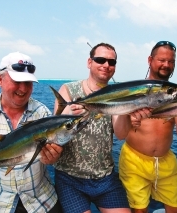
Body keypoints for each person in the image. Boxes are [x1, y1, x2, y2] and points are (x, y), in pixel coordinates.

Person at [113, 41, 177, 213]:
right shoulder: (134, 90)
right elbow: (120, 132)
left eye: (171, 61)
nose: (167, 65)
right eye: (162, 60)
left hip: (166, 162)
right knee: (139, 210)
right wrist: (127, 116)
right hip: (134, 161)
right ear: (150, 60)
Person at [0, 52, 63, 213]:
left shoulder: (41, 112)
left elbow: (48, 155)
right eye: (17, 81)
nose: (23, 89)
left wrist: (52, 157)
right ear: (0, 80)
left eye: (28, 82)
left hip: (41, 199)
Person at [53, 43, 131, 213]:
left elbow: (121, 134)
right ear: (89, 62)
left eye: (112, 62)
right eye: (100, 60)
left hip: (105, 178)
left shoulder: (117, 94)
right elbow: (57, 131)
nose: (106, 65)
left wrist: (126, 108)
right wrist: (72, 112)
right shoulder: (68, 89)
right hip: (70, 178)